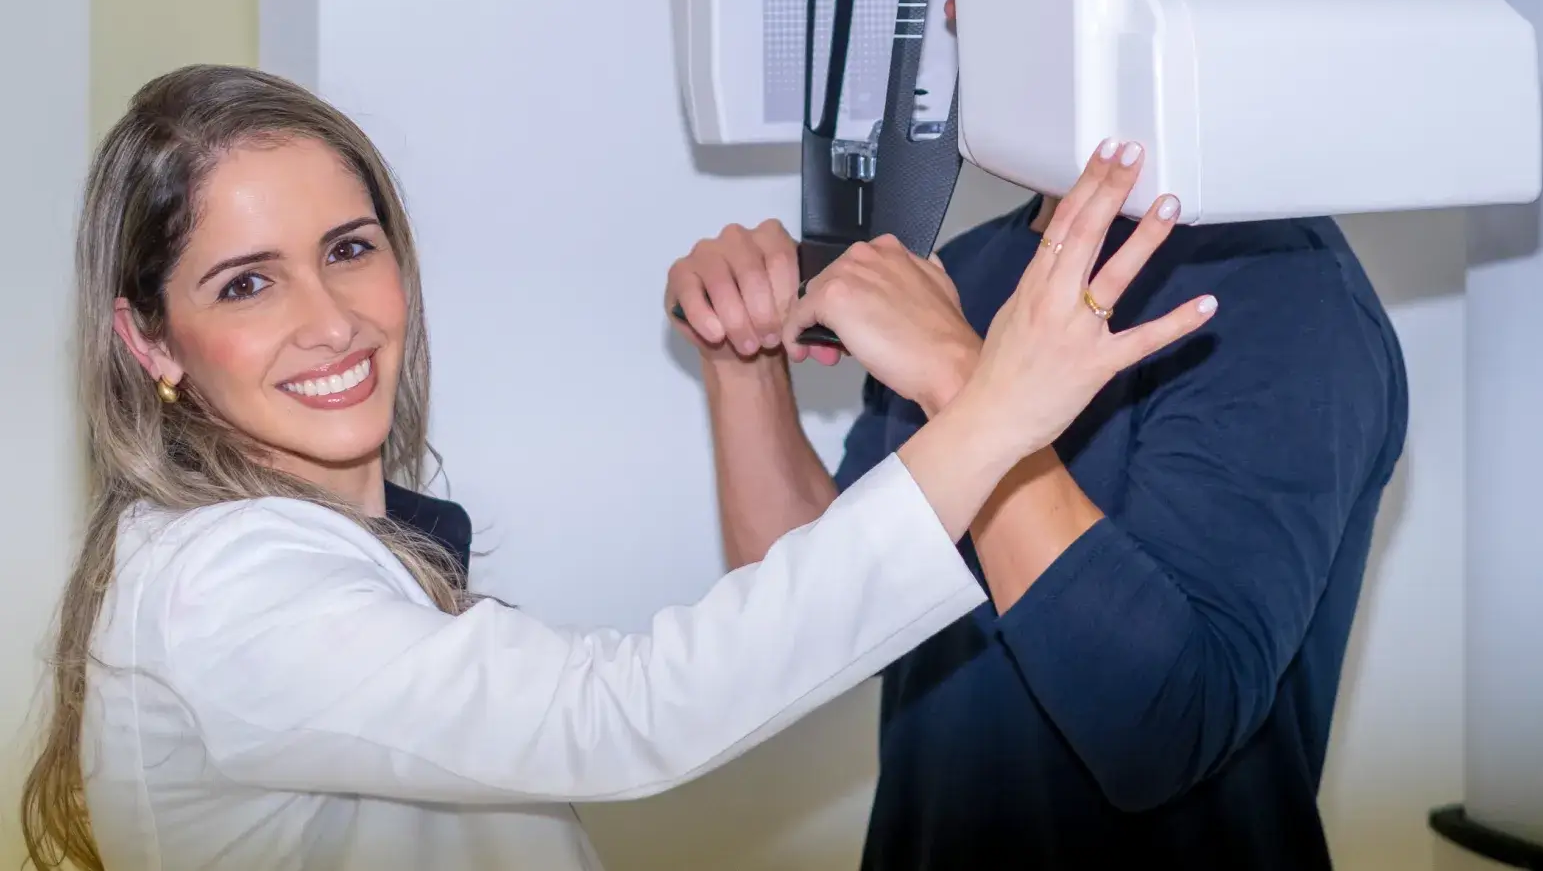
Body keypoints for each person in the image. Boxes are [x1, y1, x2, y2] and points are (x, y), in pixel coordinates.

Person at [19, 65, 1216, 871]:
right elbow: (625, 716)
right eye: (246, 283)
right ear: (149, 340)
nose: (330, 321)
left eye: (348, 249)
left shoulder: (307, 545)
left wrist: (745, 371)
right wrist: (988, 405)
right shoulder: (224, 591)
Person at [666, 0, 1408, 869]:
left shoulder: (1281, 298)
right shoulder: (975, 270)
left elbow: (1159, 730)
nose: (953, 13)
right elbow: (811, 620)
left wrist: (958, 377)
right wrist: (741, 365)